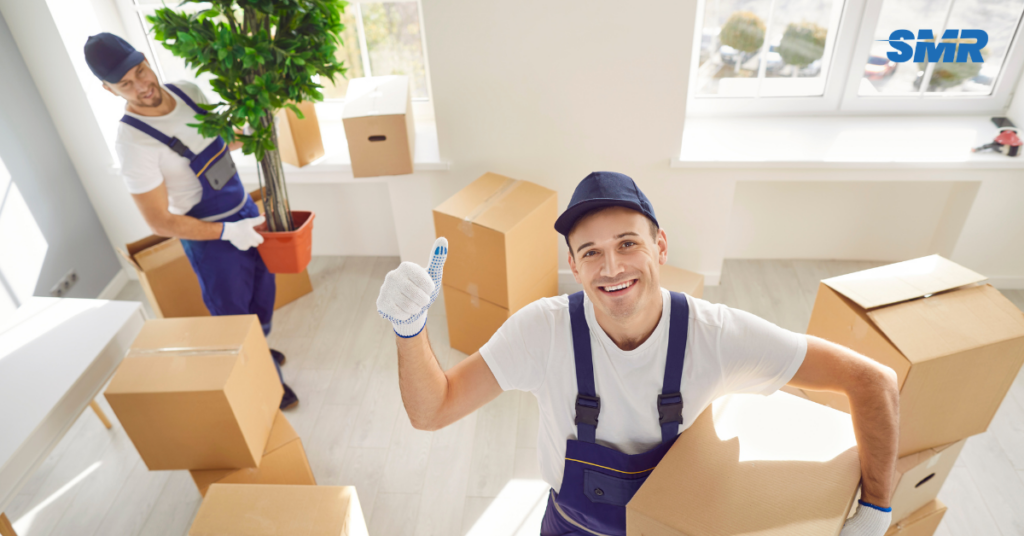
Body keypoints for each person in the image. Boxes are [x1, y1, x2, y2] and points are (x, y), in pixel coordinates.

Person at [376, 171, 899, 535]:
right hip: (571, 528)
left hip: (675, 528)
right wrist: (410, 330)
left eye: (628, 243)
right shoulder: (542, 331)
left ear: (660, 247)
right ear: (574, 267)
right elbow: (432, 409)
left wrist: (874, 511)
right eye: (591, 253)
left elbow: (873, 380)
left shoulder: (715, 335)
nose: (611, 268)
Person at [84, 33, 298, 409]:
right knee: (234, 316)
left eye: (140, 72)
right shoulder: (134, 144)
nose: (141, 86)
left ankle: (260, 344)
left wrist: (250, 131)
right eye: (125, 85)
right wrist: (227, 232)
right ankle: (267, 381)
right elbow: (159, 221)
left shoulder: (187, 92)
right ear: (108, 89)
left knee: (264, 293)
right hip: (210, 238)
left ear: (146, 59)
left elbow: (219, 142)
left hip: (244, 211)